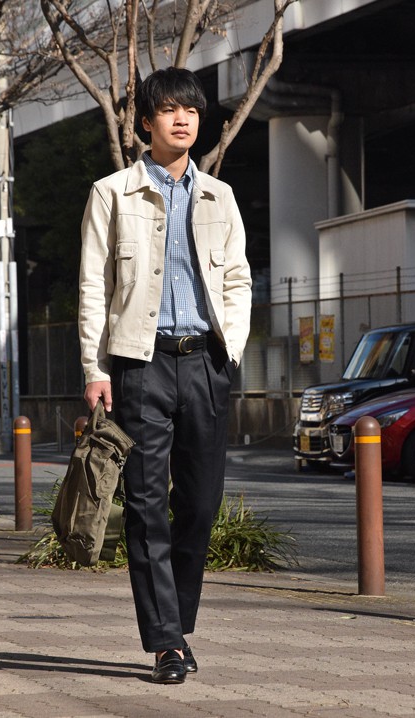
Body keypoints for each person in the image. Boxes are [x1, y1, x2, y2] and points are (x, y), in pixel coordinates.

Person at [79, 66, 252, 684]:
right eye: (171, 110)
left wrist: (231, 349)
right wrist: (95, 368)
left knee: (201, 505)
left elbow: (238, 278)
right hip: (140, 365)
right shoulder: (111, 193)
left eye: (193, 111)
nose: (183, 119)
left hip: (205, 362)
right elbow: (94, 287)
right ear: (146, 122)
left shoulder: (219, 197)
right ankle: (167, 642)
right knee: (148, 506)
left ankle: (176, 621)